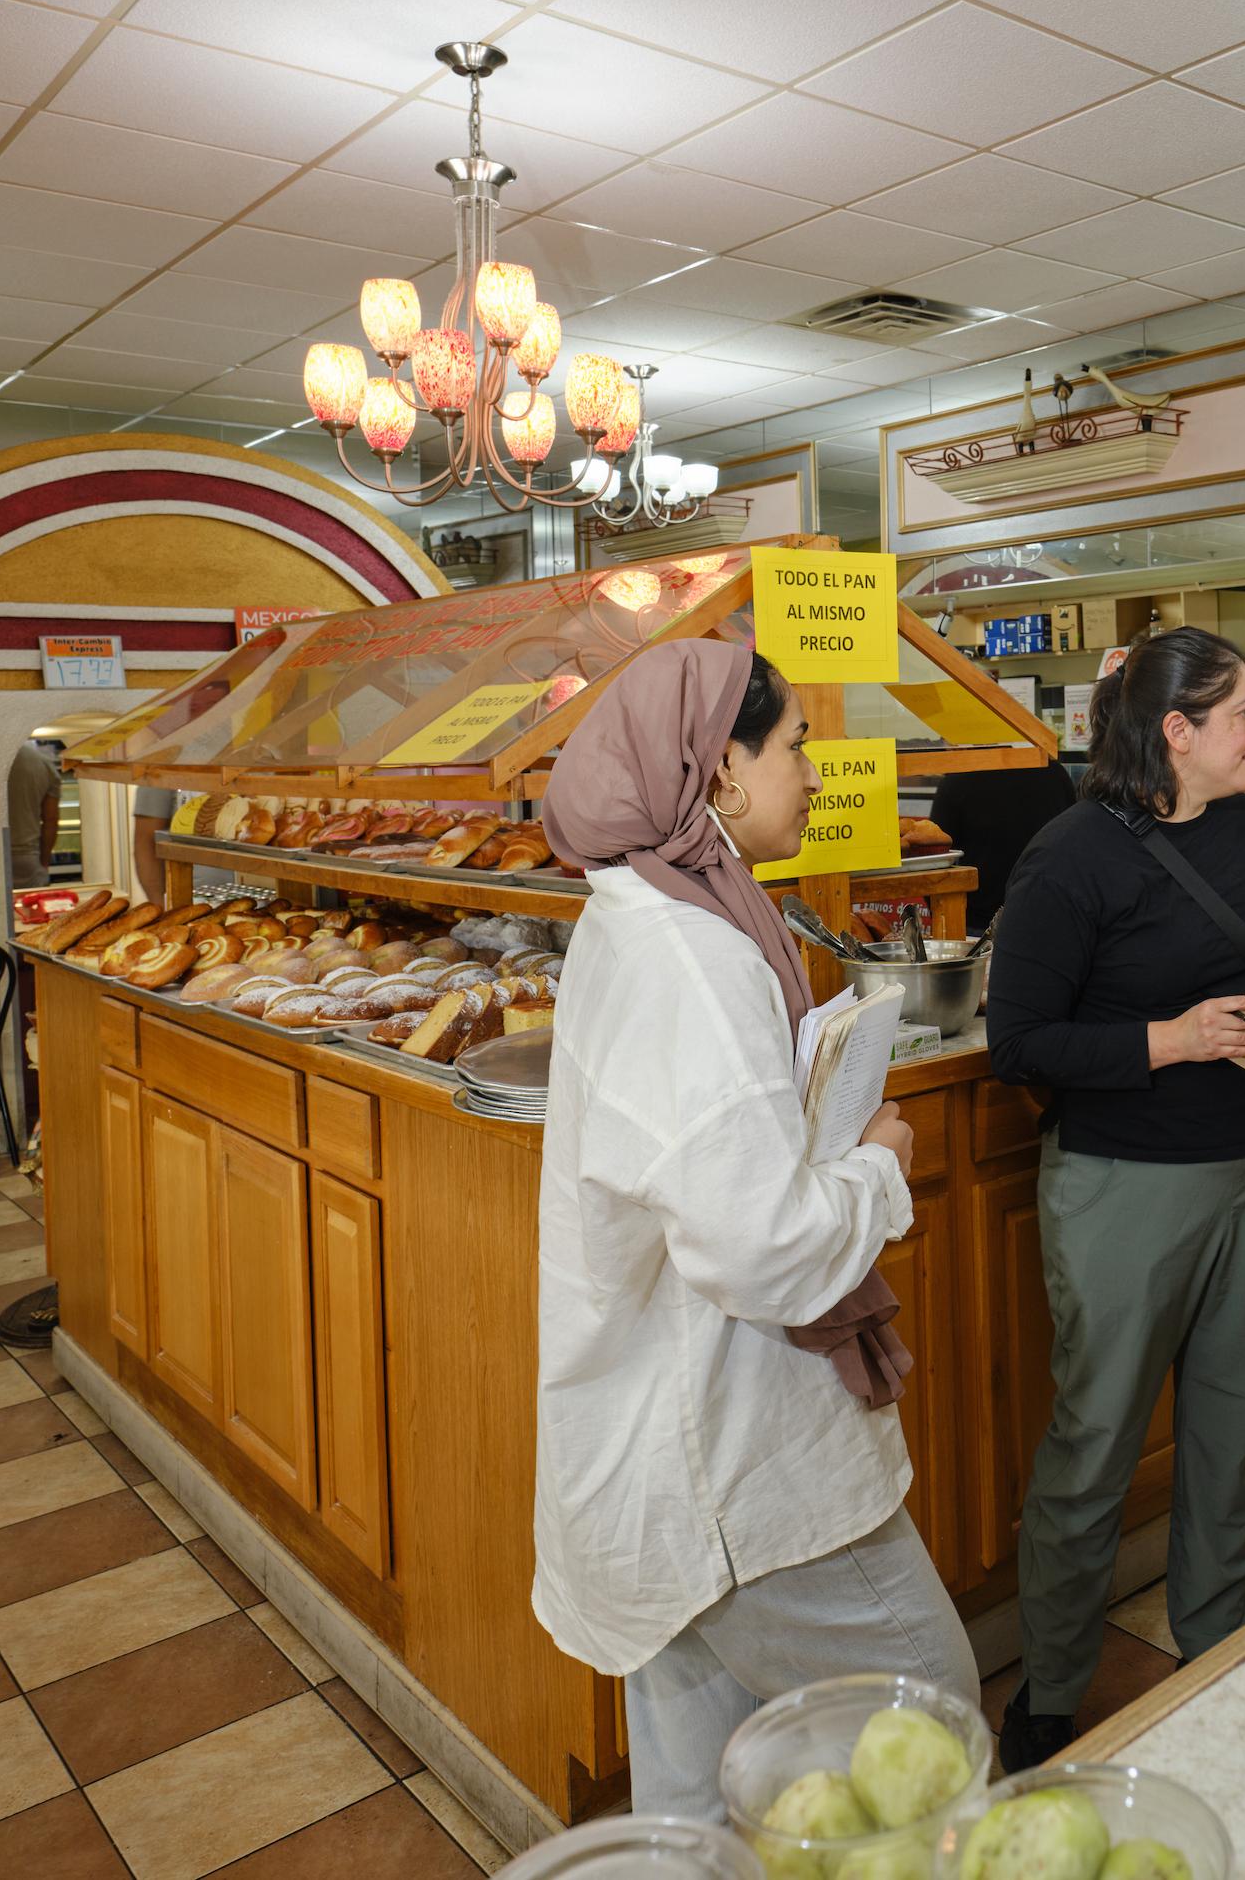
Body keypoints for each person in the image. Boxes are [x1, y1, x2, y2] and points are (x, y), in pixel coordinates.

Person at [529, 639, 973, 1819]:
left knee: (707, 1804)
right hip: (732, 1466)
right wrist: (880, 1165)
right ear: (721, 767)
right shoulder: (691, 954)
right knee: (931, 1726)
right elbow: (762, 1248)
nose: (816, 773)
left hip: (671, 1456)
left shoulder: (650, 914)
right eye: (798, 746)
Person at [985, 627, 1245, 1768]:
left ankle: (1217, 1648)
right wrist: (1171, 1041)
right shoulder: (1070, 856)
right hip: (1129, 1181)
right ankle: (1051, 1689)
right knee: (1094, 1444)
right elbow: (1021, 1042)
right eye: (1241, 714)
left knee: (1231, 1438)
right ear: (1175, 732)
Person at [928, 752, 1075, 930]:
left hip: (978, 925)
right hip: (1048, 915)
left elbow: (932, 860)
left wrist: (945, 916)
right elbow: (1073, 847)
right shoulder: (1055, 775)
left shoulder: (958, 780)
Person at [7, 739, 63, 891]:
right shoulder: (43, 763)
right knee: (28, 911)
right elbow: (51, 821)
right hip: (27, 857)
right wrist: (44, 863)